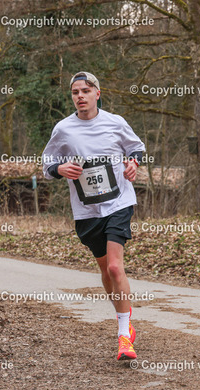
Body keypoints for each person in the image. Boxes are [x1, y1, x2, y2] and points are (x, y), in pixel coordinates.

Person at [42, 71, 145, 361]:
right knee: (105, 270)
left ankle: (123, 335)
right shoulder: (63, 129)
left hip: (118, 203)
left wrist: (133, 163)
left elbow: (136, 148)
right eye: (75, 92)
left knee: (115, 267)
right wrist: (60, 169)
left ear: (97, 94)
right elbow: (47, 164)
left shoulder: (115, 122)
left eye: (86, 91)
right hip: (86, 210)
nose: (80, 96)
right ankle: (124, 316)